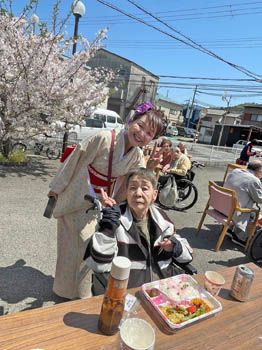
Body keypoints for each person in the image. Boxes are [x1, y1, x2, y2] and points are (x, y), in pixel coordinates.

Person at [47, 101, 166, 299]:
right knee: (70, 248)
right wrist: (56, 189)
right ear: (131, 120)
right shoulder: (103, 138)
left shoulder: (136, 155)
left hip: (98, 203)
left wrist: (150, 167)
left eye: (149, 133)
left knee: (90, 245)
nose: (142, 134)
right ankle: (64, 290)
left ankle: (81, 292)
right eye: (141, 125)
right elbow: (74, 161)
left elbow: (133, 180)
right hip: (77, 195)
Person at [84, 168, 193, 294]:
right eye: (132, 188)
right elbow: (99, 265)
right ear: (127, 193)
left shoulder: (162, 220)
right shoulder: (114, 219)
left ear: (155, 195)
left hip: (166, 286)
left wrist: (175, 246)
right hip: (132, 289)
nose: (138, 193)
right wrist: (108, 227)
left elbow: (188, 255)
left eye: (145, 188)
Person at [225, 160, 262, 247]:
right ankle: (239, 237)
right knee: (256, 215)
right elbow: (259, 199)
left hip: (223, 207)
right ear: (259, 171)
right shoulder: (254, 180)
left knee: (245, 204)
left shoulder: (235, 171)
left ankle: (228, 230)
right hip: (236, 211)